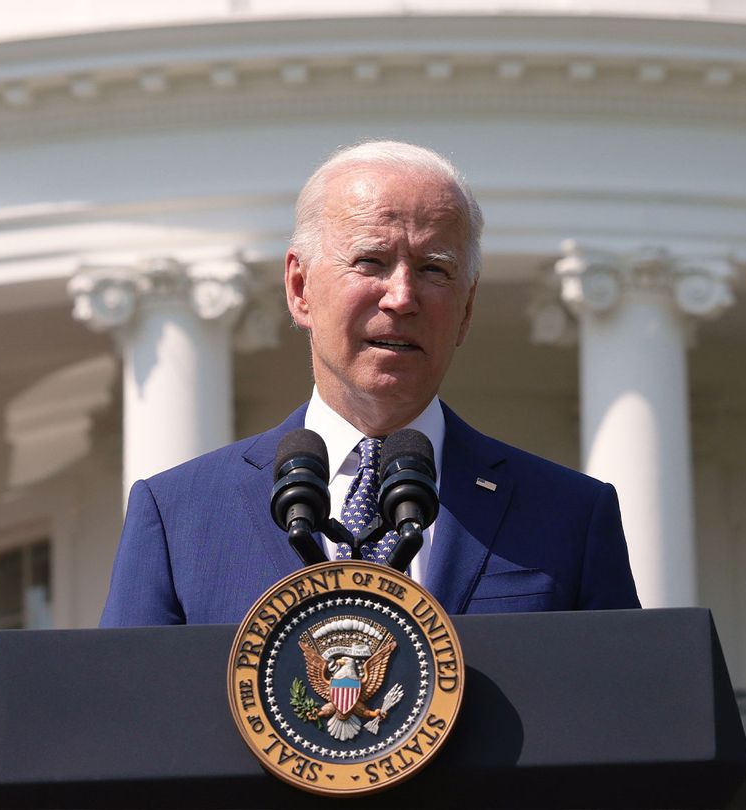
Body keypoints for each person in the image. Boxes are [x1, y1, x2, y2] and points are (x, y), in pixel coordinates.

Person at [100, 141, 639, 627]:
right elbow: (123, 719)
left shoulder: (569, 514)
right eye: (371, 262)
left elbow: (631, 721)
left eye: (434, 270)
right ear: (299, 287)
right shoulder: (178, 515)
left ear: (467, 308)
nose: (402, 297)